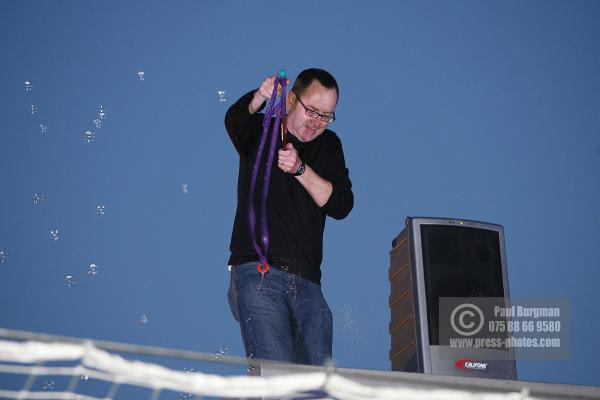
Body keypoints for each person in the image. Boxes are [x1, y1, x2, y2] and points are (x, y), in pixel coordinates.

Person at [225, 68, 354, 366]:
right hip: (258, 275)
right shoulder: (261, 131)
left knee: (314, 387)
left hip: (309, 285)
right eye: (312, 110)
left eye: (326, 115)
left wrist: (300, 169)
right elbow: (234, 120)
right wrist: (260, 96)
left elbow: (341, 205)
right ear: (293, 100)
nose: (317, 122)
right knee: (277, 378)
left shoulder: (330, 146)